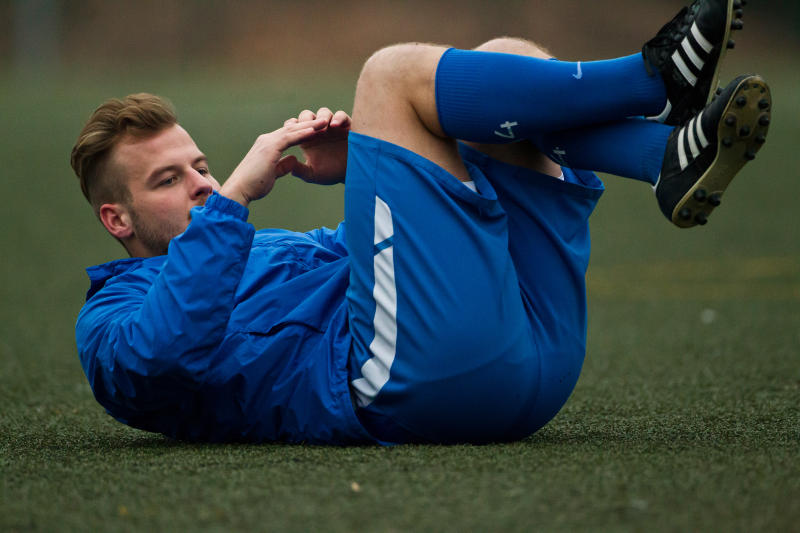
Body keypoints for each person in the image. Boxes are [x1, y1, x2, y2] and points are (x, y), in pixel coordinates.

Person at [70, 0, 770, 444]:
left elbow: (386, 258)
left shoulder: (262, 249)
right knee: (387, 76)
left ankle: (661, 157)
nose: (201, 184)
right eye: (168, 179)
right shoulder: (109, 320)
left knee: (505, 61)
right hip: (413, 388)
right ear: (115, 217)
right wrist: (232, 202)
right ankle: (650, 85)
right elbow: (162, 358)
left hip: (536, 354)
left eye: (199, 167)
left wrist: (366, 165)